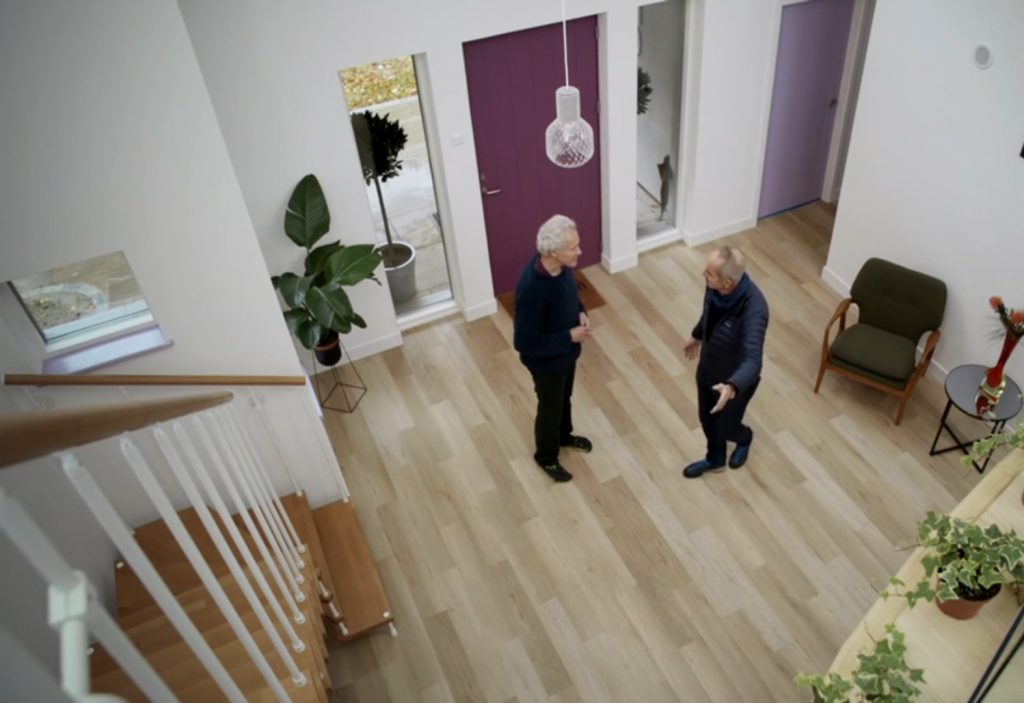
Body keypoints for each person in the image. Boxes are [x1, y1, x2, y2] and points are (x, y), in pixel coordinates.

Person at [513, 214, 594, 482]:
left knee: (564, 398)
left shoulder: (563, 267)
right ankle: (546, 457)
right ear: (553, 251)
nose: (579, 252)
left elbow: (571, 296)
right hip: (546, 363)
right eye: (573, 248)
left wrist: (580, 311)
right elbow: (524, 343)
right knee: (550, 407)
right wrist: (569, 336)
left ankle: (563, 436)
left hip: (566, 355)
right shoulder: (531, 289)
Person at [682, 246, 769, 478]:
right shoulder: (714, 287)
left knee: (727, 427)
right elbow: (708, 313)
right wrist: (697, 335)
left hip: (734, 384)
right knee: (707, 419)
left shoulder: (755, 310)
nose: (704, 275)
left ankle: (745, 438)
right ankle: (715, 459)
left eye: (709, 273)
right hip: (708, 369)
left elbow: (753, 360)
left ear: (728, 282)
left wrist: (731, 386)